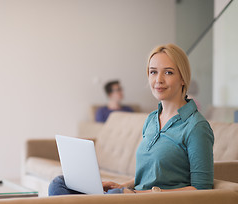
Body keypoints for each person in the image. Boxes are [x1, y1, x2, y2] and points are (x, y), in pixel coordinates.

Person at [49, 43, 214, 195]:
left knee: (111, 197)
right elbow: (148, 176)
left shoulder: (196, 126)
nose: (158, 80)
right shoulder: (152, 119)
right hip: (135, 198)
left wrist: (137, 194)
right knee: (60, 183)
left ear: (183, 78)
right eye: (153, 72)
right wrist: (123, 186)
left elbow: (202, 188)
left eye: (168, 72)